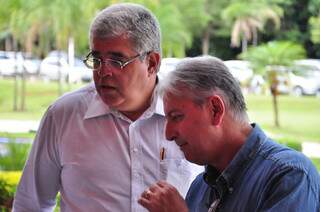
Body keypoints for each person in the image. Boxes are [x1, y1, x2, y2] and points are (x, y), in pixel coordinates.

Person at [13, 3, 201, 212]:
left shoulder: (191, 116)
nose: (103, 71)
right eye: (96, 59)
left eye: (116, 60)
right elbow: (29, 204)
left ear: (151, 63)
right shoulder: (63, 115)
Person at [138, 56, 320, 212]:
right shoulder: (200, 187)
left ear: (215, 109)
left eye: (176, 117)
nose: (168, 134)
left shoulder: (289, 176)